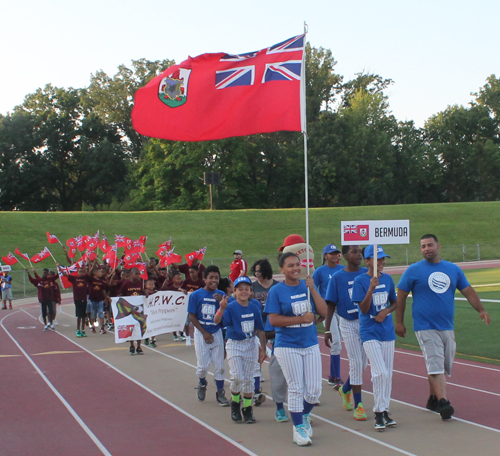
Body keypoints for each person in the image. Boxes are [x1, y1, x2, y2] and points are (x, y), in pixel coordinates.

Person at [396, 234, 491, 420]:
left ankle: (432, 398)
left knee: (442, 366)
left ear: (439, 246)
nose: (426, 249)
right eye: (423, 246)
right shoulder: (413, 270)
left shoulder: (453, 269)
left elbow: (468, 291)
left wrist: (481, 309)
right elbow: (401, 296)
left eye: (430, 245)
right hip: (425, 326)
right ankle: (443, 403)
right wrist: (399, 322)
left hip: (447, 326)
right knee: (435, 365)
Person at [264, 252, 328, 446]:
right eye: (290, 266)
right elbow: (273, 320)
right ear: (282, 269)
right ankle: (298, 428)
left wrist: (313, 289)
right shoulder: (276, 291)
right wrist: (301, 319)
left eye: (297, 265)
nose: (295, 269)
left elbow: (324, 312)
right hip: (287, 346)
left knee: (314, 389)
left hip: (309, 343)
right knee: (296, 387)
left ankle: (305, 415)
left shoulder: (307, 286)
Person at [352, 245, 397, 432]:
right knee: (380, 372)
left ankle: (385, 410)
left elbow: (394, 302)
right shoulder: (360, 281)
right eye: (378, 259)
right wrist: (371, 289)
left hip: (386, 331)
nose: (382, 262)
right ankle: (378, 413)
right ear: (368, 261)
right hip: (369, 331)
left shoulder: (388, 279)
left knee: (388, 374)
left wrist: (386, 311)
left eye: (384, 259)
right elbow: (362, 309)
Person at [325, 245, 368, 420]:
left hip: (366, 322)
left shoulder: (367, 273)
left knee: (363, 364)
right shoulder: (337, 278)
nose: (359, 255)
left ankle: (345, 389)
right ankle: (359, 404)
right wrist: (327, 329)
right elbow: (330, 305)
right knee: (356, 362)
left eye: (360, 252)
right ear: (345, 256)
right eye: (354, 252)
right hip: (347, 322)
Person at [215, 276, 266, 423]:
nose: (244, 292)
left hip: (250, 344)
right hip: (235, 344)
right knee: (237, 377)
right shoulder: (230, 307)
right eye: (240, 289)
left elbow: (260, 329)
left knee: (249, 379)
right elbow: (216, 321)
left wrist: (262, 348)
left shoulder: (254, 307)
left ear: (251, 292)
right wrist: (221, 308)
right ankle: (236, 404)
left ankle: (248, 410)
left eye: (247, 289)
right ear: (234, 292)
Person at [188, 265, 230, 407]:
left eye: (216, 278)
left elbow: (225, 315)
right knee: (203, 367)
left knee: (220, 366)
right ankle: (202, 382)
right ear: (204, 279)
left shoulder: (221, 295)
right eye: (211, 277)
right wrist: (204, 332)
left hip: (216, 332)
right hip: (201, 333)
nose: (214, 280)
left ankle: (220, 392)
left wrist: (222, 304)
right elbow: (192, 316)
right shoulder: (196, 295)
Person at [312, 244, 345, 389]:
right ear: (325, 255)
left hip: (342, 310)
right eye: (331, 254)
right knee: (336, 341)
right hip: (329, 310)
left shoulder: (343, 269)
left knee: (343, 341)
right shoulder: (320, 271)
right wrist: (317, 310)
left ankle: (334, 375)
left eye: (336, 253)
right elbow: (313, 290)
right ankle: (335, 376)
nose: (334, 256)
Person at [251, 259, 279, 387]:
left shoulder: (277, 286)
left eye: (258, 271)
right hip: (259, 322)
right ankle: (258, 371)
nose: (256, 274)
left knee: (277, 349)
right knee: (258, 348)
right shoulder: (253, 287)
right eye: (255, 271)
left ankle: (277, 372)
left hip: (273, 321)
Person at [118, 267, 145, 355]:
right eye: (136, 274)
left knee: (139, 327)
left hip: (139, 310)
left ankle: (139, 346)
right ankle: (132, 345)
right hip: (129, 310)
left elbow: (143, 293)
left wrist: (146, 293)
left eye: (139, 274)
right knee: (131, 328)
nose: (138, 276)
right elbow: (121, 295)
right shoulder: (126, 284)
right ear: (131, 275)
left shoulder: (141, 283)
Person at [59, 266, 89, 337]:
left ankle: (83, 330)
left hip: (84, 299)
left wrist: (90, 262)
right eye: (80, 271)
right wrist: (59, 267)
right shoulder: (74, 278)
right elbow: (65, 274)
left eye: (82, 271)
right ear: (78, 272)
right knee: (79, 315)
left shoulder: (86, 278)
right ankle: (78, 330)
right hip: (77, 299)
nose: (81, 273)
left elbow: (90, 272)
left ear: (84, 272)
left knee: (84, 316)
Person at [86, 265, 109, 336]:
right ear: (95, 273)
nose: (101, 273)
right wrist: (92, 267)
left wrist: (105, 298)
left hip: (100, 300)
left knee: (100, 314)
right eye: (100, 272)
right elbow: (88, 275)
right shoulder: (91, 279)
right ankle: (93, 326)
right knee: (93, 314)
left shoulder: (102, 281)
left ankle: (102, 327)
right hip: (92, 300)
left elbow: (103, 290)